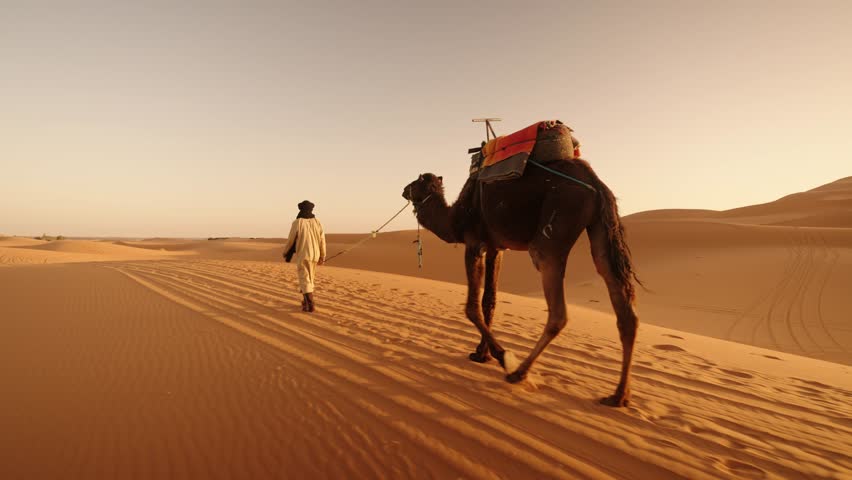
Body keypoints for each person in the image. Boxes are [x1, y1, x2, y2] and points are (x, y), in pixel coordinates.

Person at [282, 200, 327, 312]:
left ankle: (310, 304)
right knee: (309, 278)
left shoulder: (298, 222)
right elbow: (322, 240)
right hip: (315, 255)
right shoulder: (317, 222)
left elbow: (291, 239)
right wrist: (322, 256)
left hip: (304, 254)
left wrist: (285, 252)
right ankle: (305, 301)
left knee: (304, 278)